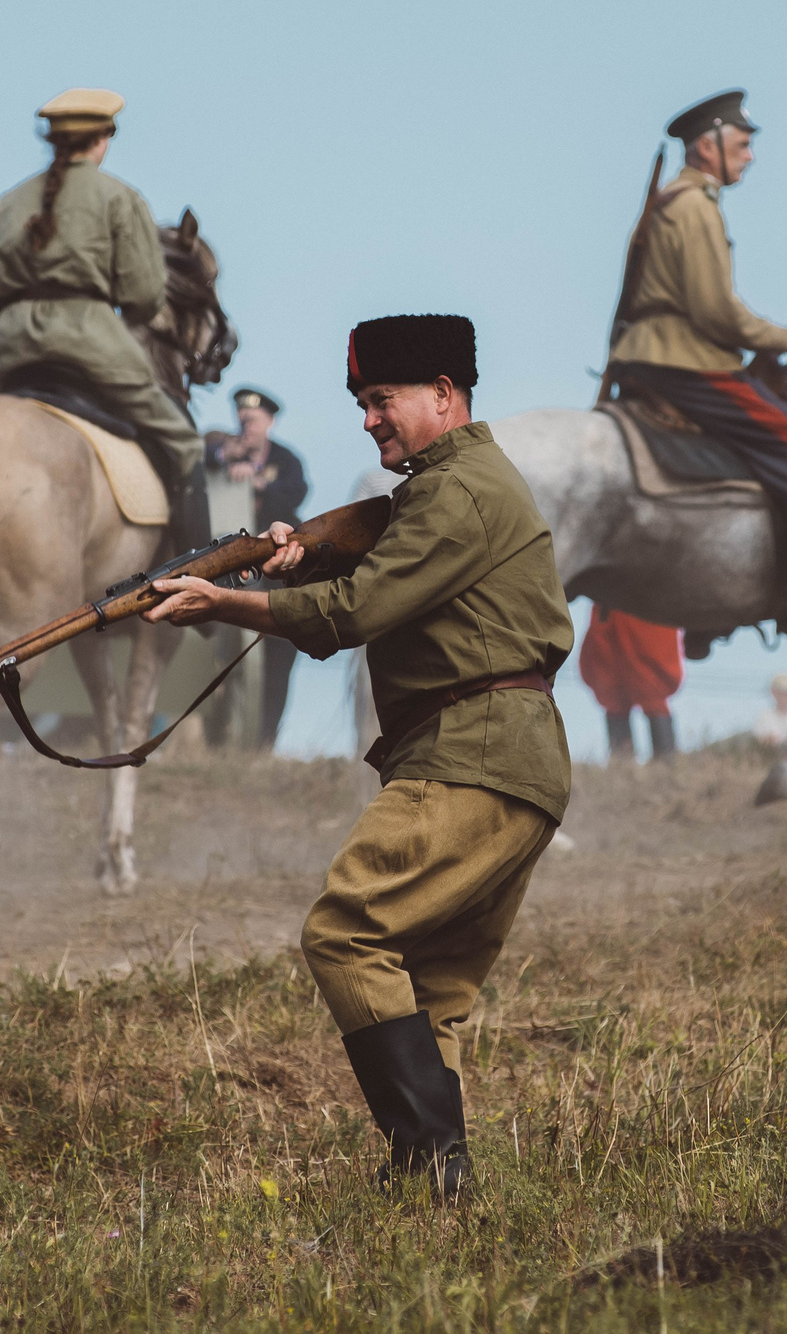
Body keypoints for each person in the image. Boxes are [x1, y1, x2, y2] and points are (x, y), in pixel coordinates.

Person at [146, 315, 571, 1198]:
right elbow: (372, 581)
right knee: (432, 987)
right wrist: (295, 560)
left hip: (472, 752)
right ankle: (435, 1191)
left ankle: (429, 1160)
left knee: (344, 933)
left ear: (446, 396)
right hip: (509, 759)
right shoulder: (444, 490)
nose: (370, 419)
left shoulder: (455, 491)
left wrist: (225, 601)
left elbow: (357, 614)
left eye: (382, 399)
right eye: (361, 403)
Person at [604, 90, 787, 624]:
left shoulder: (671, 201)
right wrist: (786, 340)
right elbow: (716, 313)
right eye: (742, 143)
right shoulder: (696, 207)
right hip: (682, 358)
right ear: (707, 146)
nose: (750, 155)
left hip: (645, 353)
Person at [0, 89, 210, 548]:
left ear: (53, 141)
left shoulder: (9, 202)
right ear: (102, 139)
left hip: (6, 356)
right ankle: (201, 577)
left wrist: (22, 303)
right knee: (186, 442)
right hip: (93, 349)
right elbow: (143, 297)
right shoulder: (120, 197)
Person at [207, 384, 308, 749]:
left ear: (269, 421)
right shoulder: (223, 450)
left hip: (277, 574)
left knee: (278, 661)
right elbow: (201, 459)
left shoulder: (287, 460)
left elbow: (296, 492)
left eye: (253, 419)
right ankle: (221, 741)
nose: (246, 426)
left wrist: (257, 480)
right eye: (242, 419)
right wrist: (226, 455)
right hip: (232, 575)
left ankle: (265, 741)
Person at [577, 605, 682, 763]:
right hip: (614, 612)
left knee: (651, 692)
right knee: (616, 697)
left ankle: (666, 765)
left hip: (645, 611)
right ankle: (624, 768)